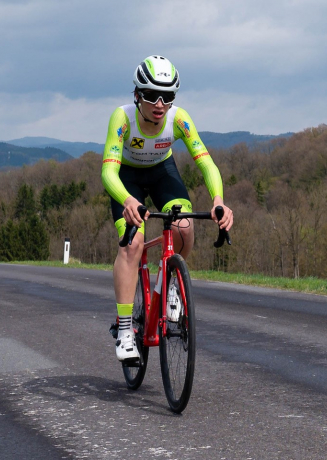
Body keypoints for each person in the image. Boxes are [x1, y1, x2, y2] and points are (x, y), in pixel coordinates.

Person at [102, 55, 234, 361]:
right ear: (137, 95)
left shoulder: (180, 119)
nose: (160, 104)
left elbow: (206, 163)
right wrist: (128, 201)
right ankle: (124, 332)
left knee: (184, 226)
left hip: (163, 172)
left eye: (168, 97)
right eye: (151, 95)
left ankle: (171, 284)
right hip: (127, 179)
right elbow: (108, 173)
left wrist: (218, 201)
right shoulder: (122, 119)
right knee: (132, 244)